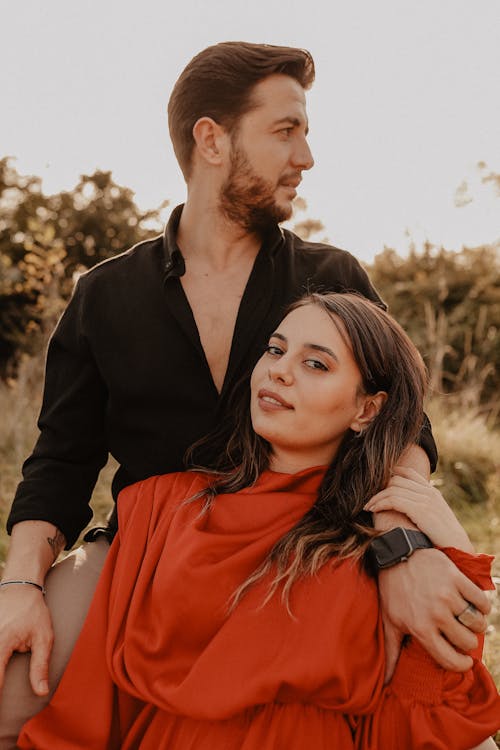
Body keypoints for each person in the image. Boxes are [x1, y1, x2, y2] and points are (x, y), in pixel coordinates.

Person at [0, 42, 491, 745]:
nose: (307, 157)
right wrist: (20, 589)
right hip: (146, 546)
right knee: (13, 696)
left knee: (446, 709)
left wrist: (402, 546)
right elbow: (61, 462)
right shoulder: (105, 294)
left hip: (313, 538)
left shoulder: (331, 275)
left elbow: (405, 430)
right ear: (213, 139)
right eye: (286, 131)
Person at [16, 293, 500, 749]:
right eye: (275, 350)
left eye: (315, 363)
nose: (279, 371)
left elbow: (420, 717)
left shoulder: (391, 542)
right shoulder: (160, 505)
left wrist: (454, 555)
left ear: (366, 409)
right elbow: (96, 695)